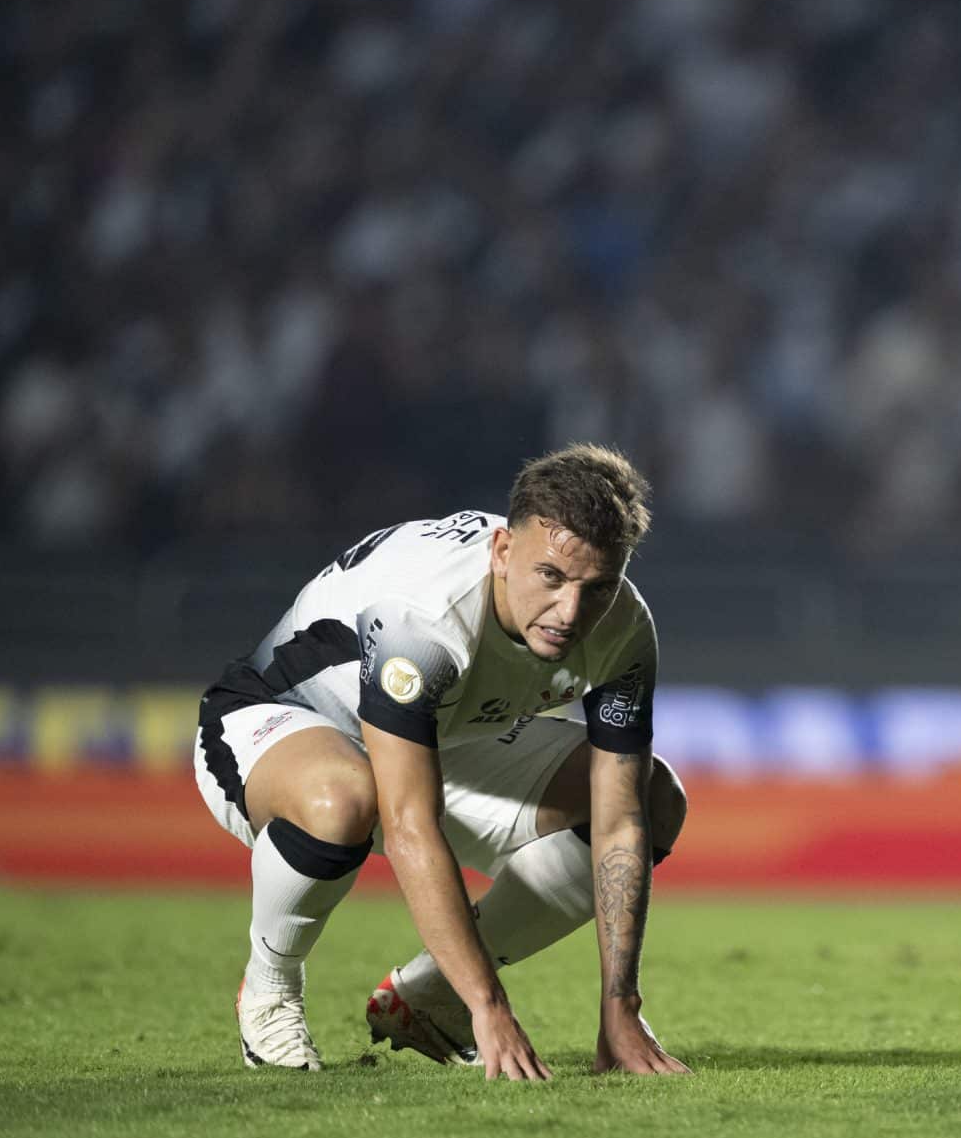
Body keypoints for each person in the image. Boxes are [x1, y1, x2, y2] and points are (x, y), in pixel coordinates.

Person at [192, 443, 691, 1079]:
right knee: (345, 799)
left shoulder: (623, 628)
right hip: (277, 723)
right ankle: (269, 990)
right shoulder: (425, 620)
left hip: (444, 734)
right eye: (551, 577)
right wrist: (490, 1004)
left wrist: (620, 1006)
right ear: (504, 551)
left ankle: (429, 997)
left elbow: (620, 822)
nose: (570, 613)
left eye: (596, 587)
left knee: (653, 798)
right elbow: (408, 825)